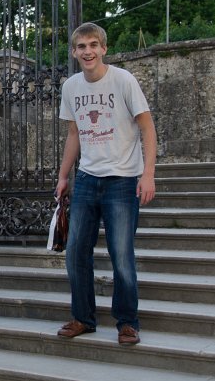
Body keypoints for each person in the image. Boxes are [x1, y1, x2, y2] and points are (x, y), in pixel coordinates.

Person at [54, 23, 157, 346]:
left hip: (122, 180)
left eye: (93, 45)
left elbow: (147, 128)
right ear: (74, 52)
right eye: (81, 46)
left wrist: (148, 174)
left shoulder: (123, 80)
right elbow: (74, 134)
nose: (88, 51)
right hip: (87, 178)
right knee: (75, 253)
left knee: (121, 255)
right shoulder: (71, 87)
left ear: (104, 49)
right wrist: (63, 176)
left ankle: (127, 322)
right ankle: (83, 318)